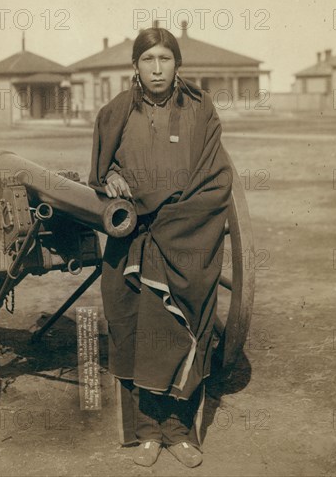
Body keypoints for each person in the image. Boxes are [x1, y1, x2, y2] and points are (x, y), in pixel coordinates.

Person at [89, 27, 232, 468]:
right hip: (133, 241)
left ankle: (179, 432)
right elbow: (99, 171)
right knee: (135, 329)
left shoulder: (200, 110)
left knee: (185, 327)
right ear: (134, 65)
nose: (156, 68)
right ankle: (147, 433)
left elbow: (214, 179)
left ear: (177, 64)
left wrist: (168, 216)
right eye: (147, 59)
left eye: (164, 59)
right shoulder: (114, 113)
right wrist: (111, 176)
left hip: (188, 239)